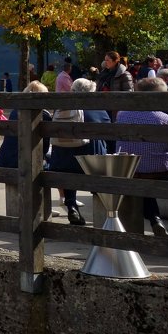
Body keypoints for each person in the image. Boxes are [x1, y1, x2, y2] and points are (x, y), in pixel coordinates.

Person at [116, 76, 168, 237]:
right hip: (161, 171)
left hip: (131, 169)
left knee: (141, 178)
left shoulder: (122, 115)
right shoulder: (167, 120)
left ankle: (155, 219)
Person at [47, 78, 110, 226]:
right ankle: (103, 217)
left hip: (62, 160)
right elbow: (108, 129)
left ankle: (72, 206)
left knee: (69, 172)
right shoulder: (96, 109)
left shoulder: (61, 108)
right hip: (90, 161)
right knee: (102, 155)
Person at [0, 81, 51, 170]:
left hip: (6, 158)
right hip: (26, 161)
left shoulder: (14, 111)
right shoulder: (44, 115)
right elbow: (45, 146)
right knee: (50, 162)